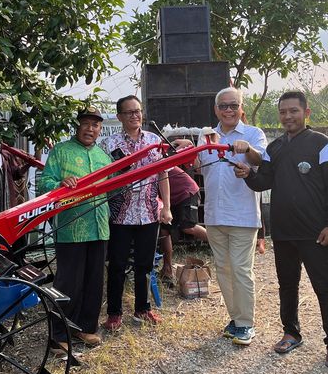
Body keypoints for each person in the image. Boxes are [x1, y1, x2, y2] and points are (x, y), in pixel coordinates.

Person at [237, 91, 328, 367]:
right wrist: (249, 175)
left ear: (306, 113)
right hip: (284, 231)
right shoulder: (275, 148)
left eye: (293, 111)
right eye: (283, 112)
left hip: (315, 232)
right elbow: (264, 182)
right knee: (287, 285)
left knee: (325, 287)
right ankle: (291, 332)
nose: (287, 116)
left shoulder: (325, 145)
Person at [173, 87, 266, 346]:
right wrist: (189, 149)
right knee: (224, 270)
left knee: (240, 269)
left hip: (243, 216)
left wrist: (246, 151)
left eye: (233, 105)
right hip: (214, 215)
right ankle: (235, 318)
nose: (228, 110)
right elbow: (199, 167)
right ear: (216, 109)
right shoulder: (208, 137)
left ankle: (247, 323)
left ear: (241, 108)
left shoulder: (253, 133)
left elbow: (262, 159)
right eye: (223, 106)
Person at [39, 107, 113, 350]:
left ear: (100, 129)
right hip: (71, 229)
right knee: (68, 283)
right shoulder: (60, 152)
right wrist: (60, 184)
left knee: (94, 280)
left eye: (95, 125)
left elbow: (112, 189)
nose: (90, 129)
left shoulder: (104, 157)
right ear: (77, 125)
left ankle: (86, 328)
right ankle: (59, 335)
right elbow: (44, 184)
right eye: (86, 123)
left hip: (99, 227)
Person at [100, 96, 172, 330]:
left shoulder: (154, 141)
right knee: (118, 265)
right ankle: (114, 313)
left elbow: (163, 175)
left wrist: (167, 208)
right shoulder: (108, 144)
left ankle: (143, 309)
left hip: (149, 213)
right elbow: (102, 179)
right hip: (120, 214)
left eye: (138, 111)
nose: (134, 115)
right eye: (129, 112)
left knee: (145, 264)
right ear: (119, 116)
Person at [158, 166, 208, 282]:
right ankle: (167, 269)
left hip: (186, 191)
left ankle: (221, 244)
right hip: (171, 199)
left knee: (188, 227)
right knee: (164, 230)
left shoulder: (155, 158)